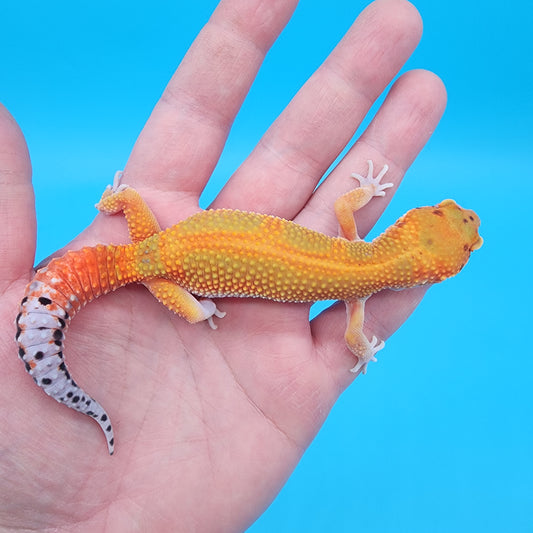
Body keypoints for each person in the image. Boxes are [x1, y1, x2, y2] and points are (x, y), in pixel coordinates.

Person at [0, 0, 447, 530]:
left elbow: (348, 207)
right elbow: (354, 340)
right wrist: (202, 313)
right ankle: (184, 315)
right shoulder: (358, 297)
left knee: (185, 294)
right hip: (160, 270)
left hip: (158, 248)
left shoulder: (352, 245)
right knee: (193, 311)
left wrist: (118, 201)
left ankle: (119, 210)